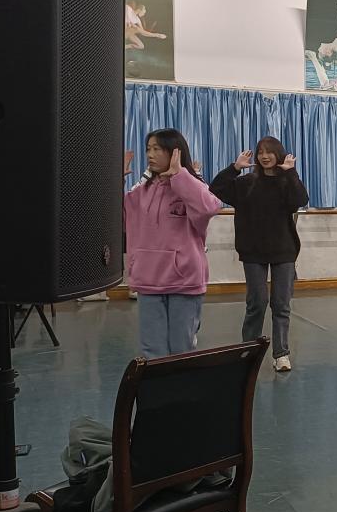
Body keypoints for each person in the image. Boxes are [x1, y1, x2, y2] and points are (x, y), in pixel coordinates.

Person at [210, 137, 309, 372]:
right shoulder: (246, 183)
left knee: (281, 304)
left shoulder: (286, 182)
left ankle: (281, 354)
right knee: (257, 302)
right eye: (261, 152)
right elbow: (216, 188)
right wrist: (235, 168)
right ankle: (248, 352)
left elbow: (300, 200)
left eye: (269, 152)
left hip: (284, 250)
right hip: (253, 250)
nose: (264, 156)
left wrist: (290, 173)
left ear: (278, 154)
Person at [123, 128, 222, 358]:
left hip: (184, 280)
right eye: (148, 149)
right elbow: (115, 216)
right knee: (152, 351)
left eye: (157, 149)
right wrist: (116, 178)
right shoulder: (142, 191)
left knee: (181, 349)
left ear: (174, 152)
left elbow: (210, 207)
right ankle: (158, 384)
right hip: (148, 280)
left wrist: (180, 176)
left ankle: (182, 384)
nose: (150, 154)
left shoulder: (191, 186)